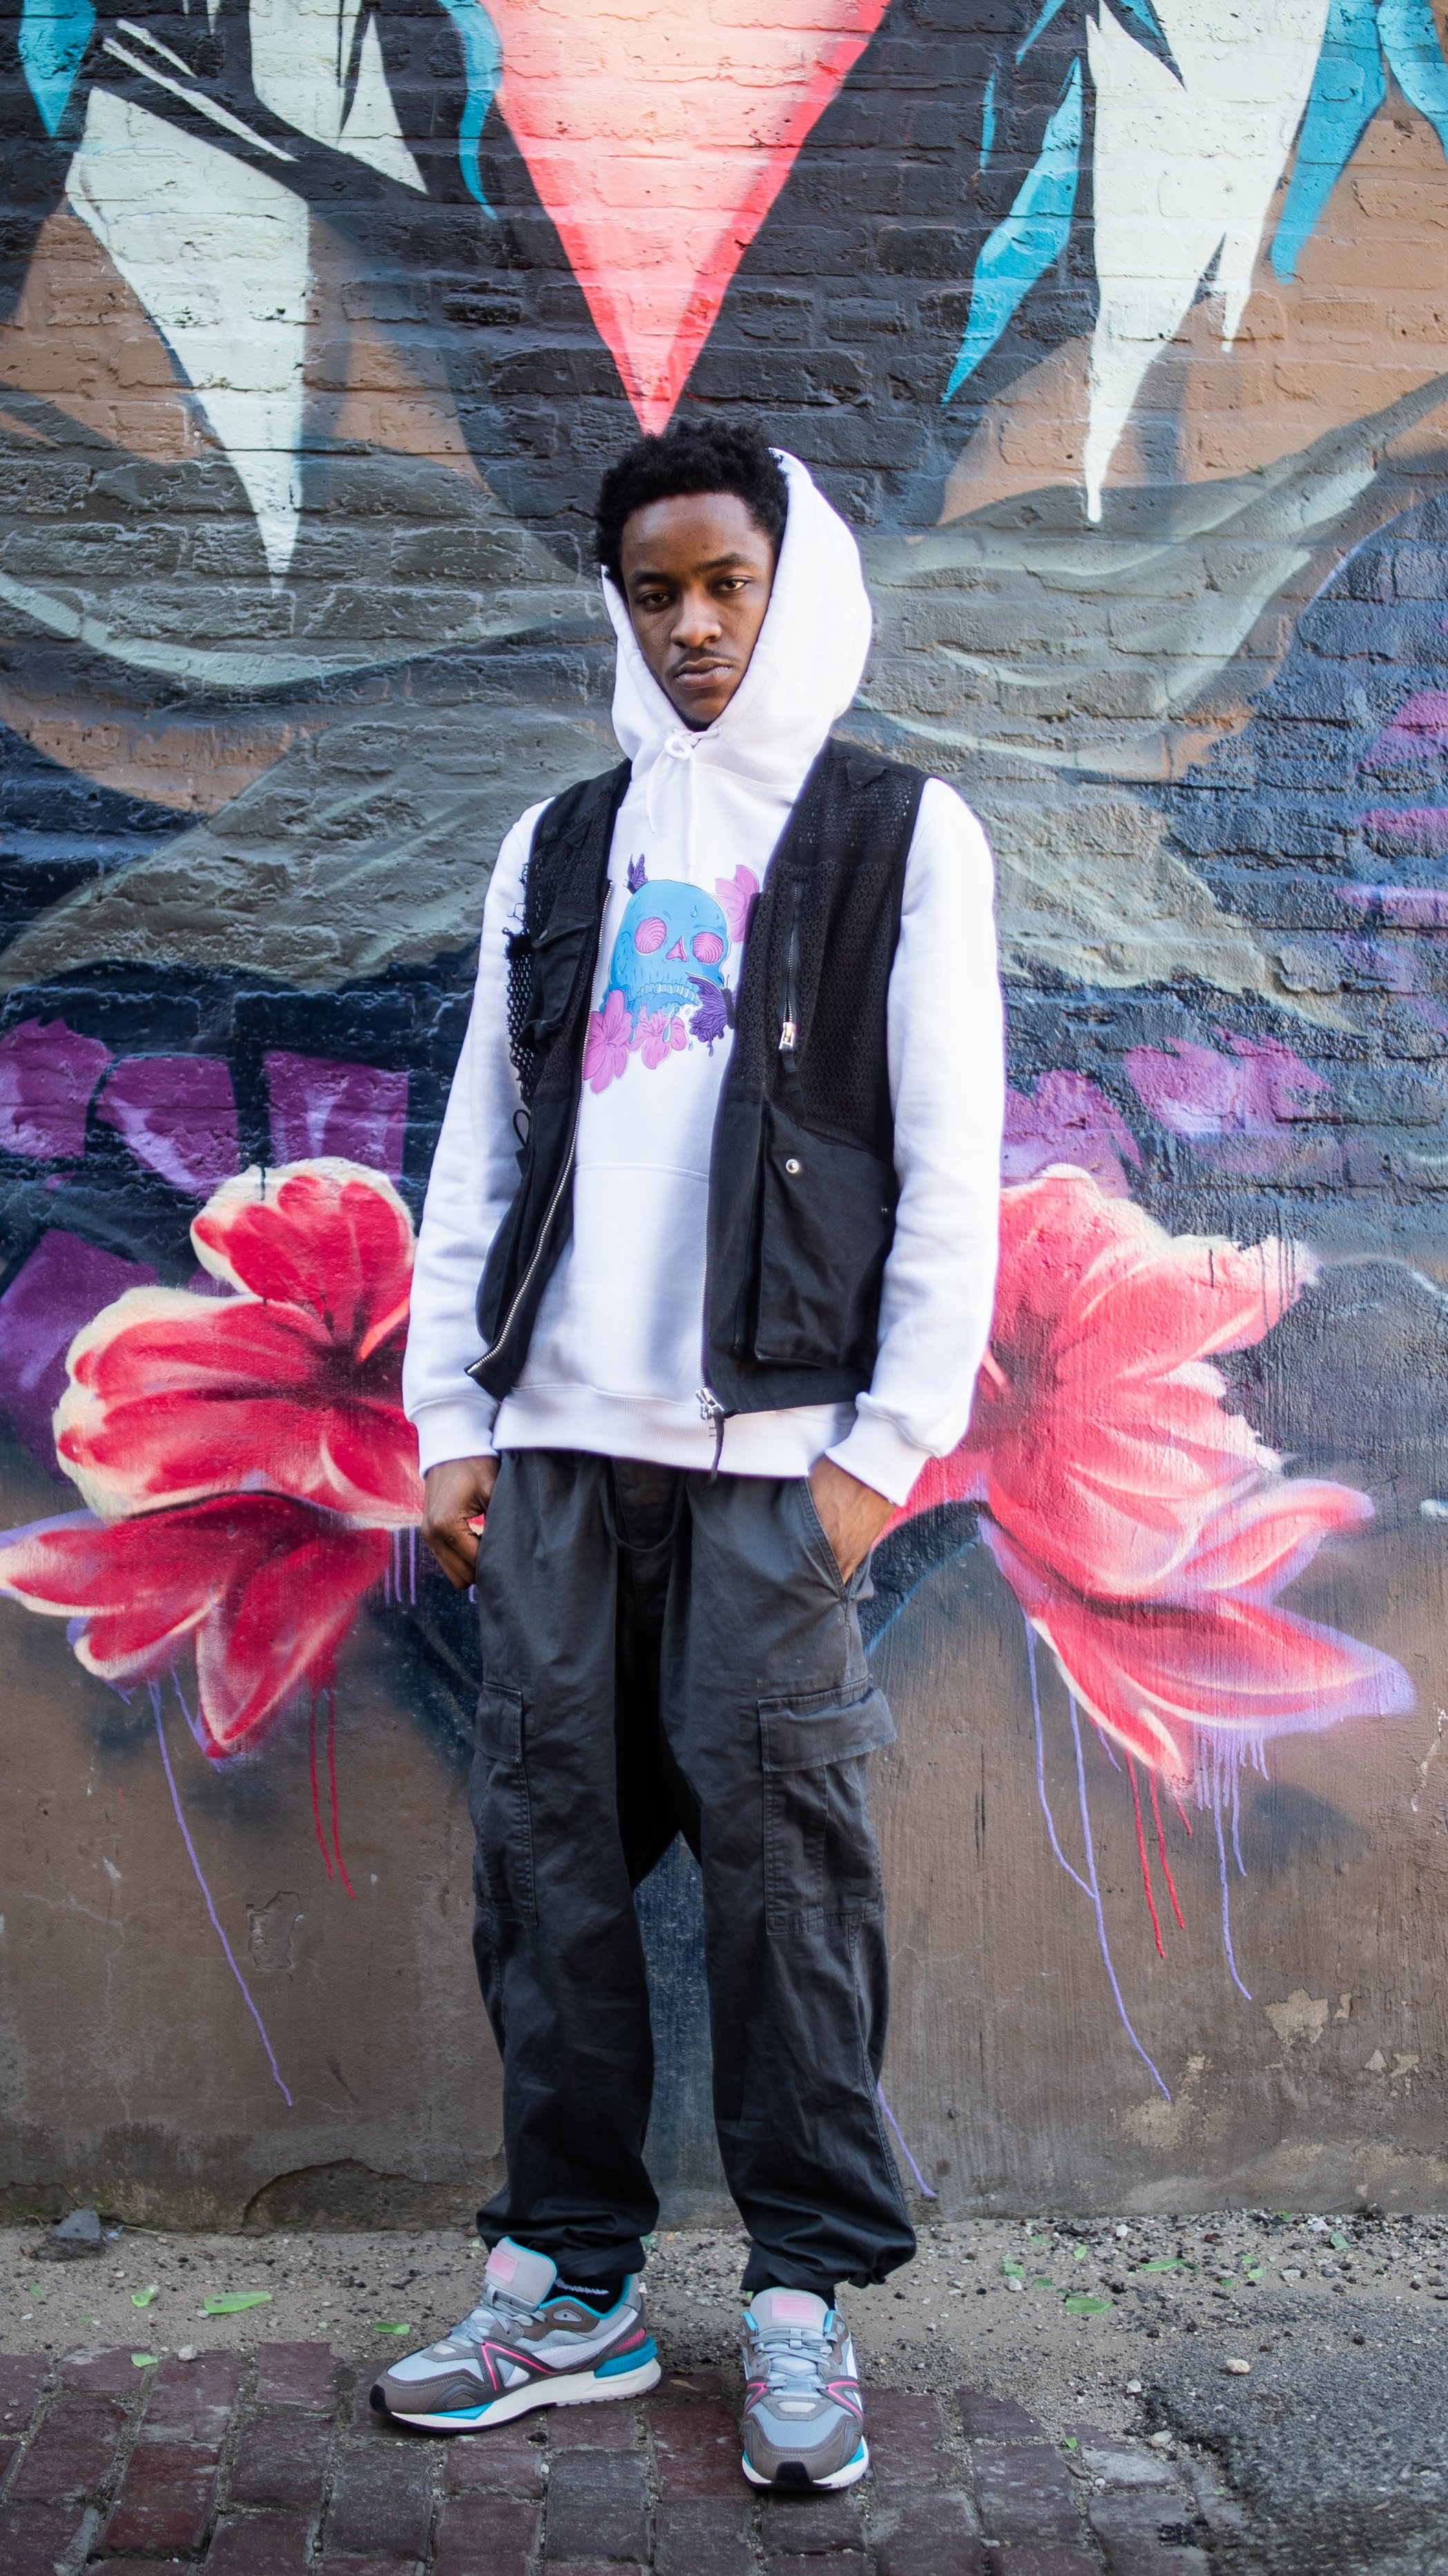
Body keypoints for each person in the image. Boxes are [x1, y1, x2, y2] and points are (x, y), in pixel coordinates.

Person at [382, 419, 1004, 2489]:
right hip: (553, 1454)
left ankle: (803, 2295)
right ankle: (571, 2286)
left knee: (785, 1888)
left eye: (728, 582)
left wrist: (877, 1456)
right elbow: (483, 1144)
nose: (694, 626)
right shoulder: (562, 845)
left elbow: (954, 1168)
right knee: (548, 1876)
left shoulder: (898, 836)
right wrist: (452, 1421)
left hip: (774, 1466)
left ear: (791, 580)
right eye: (654, 593)